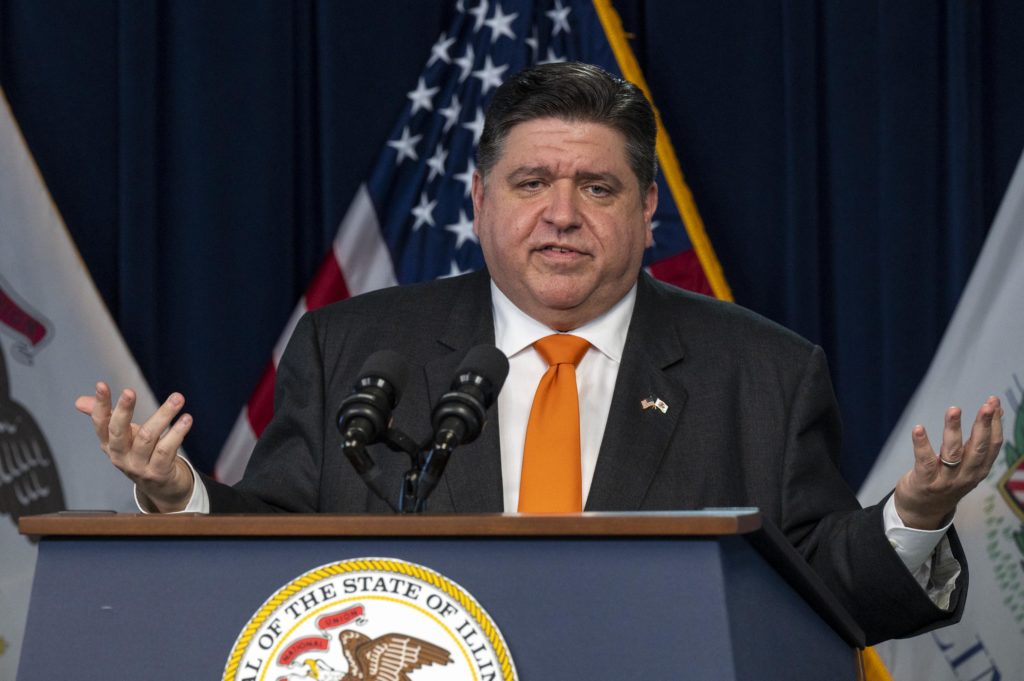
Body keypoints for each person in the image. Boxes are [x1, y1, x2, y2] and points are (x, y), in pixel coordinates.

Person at [75, 62, 1002, 645]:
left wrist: (912, 516)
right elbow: (279, 549)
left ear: (645, 213)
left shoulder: (761, 370)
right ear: (479, 201)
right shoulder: (353, 345)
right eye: (532, 182)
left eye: (598, 186)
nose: (562, 213)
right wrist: (178, 496)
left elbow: (822, 592)